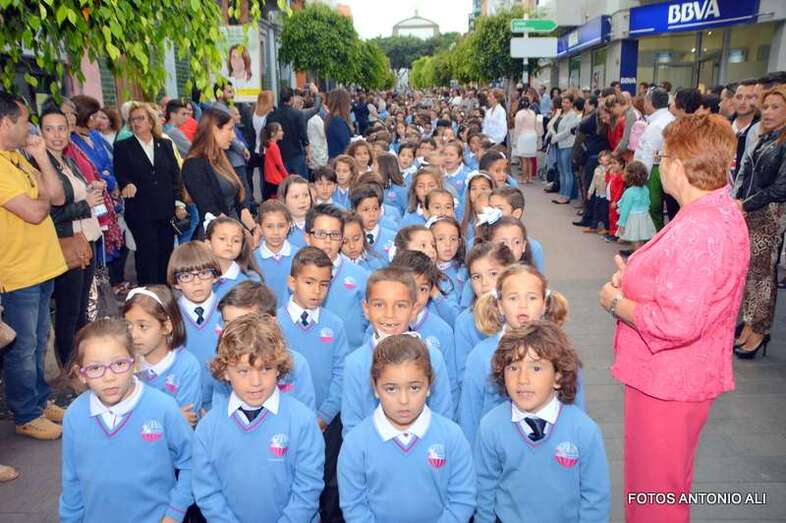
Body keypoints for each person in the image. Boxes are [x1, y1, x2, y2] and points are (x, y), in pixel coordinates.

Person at [599, 114, 749, 522]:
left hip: (668, 381)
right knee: (665, 485)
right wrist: (635, 276)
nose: (659, 164)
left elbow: (677, 322)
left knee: (655, 495)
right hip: (677, 377)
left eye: (663, 156)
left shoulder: (701, 226)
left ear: (678, 165)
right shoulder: (712, 211)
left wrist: (616, 301)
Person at [59, 318, 194, 522]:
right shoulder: (75, 415)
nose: (109, 377)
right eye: (95, 368)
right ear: (81, 374)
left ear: (135, 363)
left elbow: (192, 462)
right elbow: (71, 479)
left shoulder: (163, 408)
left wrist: (174, 513)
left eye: (119, 364)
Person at [192, 314, 325, 521]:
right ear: (225, 371)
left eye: (265, 368)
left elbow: (308, 491)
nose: (256, 381)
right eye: (243, 371)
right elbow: (207, 493)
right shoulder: (208, 428)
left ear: (279, 368)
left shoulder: (303, 421)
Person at [474, 322, 610, 522]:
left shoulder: (584, 431)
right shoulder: (491, 426)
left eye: (536, 368)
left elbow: (595, 499)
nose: (523, 379)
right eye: (513, 368)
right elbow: (484, 490)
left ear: (558, 377)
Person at [338, 334, 476, 522]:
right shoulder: (356, 443)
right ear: (375, 388)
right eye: (391, 389)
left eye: (414, 388)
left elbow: (462, 499)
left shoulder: (452, 436)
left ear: (429, 386)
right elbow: (354, 506)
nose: (403, 400)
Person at [0, 92, 67, 440]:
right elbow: (35, 212)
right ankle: (26, 413)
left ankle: (40, 401)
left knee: (39, 341)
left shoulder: (17, 158)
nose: (30, 128)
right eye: (25, 120)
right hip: (17, 272)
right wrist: (42, 197)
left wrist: (41, 157)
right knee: (23, 348)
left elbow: (56, 196)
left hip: (42, 265)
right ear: (6, 122)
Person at [277, 246, 349, 523]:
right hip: (284, 423)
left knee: (327, 485)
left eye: (324, 284)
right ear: (291, 281)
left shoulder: (335, 324)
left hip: (326, 423)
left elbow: (341, 375)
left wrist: (324, 416)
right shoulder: (274, 324)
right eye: (309, 282)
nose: (317, 291)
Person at [340, 267, 453, 437]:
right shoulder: (355, 363)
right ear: (366, 308)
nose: (389, 314)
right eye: (379, 305)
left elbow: (443, 416)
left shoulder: (432, 357)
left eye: (400, 305)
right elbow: (351, 426)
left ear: (414, 310)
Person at [40, 109, 102, 368]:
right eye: (49, 129)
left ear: (69, 131)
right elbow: (50, 213)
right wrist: (86, 204)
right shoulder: (42, 166)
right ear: (40, 133)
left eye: (61, 128)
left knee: (81, 309)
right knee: (69, 311)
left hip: (86, 241)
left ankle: (82, 363)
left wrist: (90, 190)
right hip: (66, 245)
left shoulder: (67, 159)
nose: (56, 135)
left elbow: (73, 195)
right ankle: (69, 367)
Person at [733, 85, 786, 358]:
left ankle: (759, 330)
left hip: (769, 215)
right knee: (750, 273)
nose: (768, 112)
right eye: (765, 107)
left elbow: (781, 188)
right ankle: (749, 324)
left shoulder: (782, 142)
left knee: (763, 276)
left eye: (775, 107)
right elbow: (747, 174)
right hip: (752, 211)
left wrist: (746, 203)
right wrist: (740, 200)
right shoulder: (765, 137)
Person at [114, 102, 182, 284]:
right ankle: (148, 293)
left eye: (140, 118)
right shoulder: (123, 147)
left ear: (151, 122)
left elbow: (175, 176)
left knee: (166, 253)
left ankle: (164, 293)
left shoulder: (165, 144)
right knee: (147, 255)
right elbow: (120, 174)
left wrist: (179, 203)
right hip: (140, 211)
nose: (136, 123)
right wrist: (126, 184)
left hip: (165, 209)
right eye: (132, 120)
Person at [123, 285, 202, 426]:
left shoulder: (187, 366)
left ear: (166, 326)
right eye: (128, 326)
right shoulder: (124, 363)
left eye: (143, 326)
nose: (133, 335)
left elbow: (188, 421)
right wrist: (170, 418)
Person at [304, 204, 369, 350]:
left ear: (341, 239)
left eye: (334, 235)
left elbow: (370, 323)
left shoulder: (360, 275)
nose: (328, 240)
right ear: (307, 237)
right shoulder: (297, 274)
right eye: (321, 234)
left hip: (350, 355)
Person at [167, 241, 223, 411]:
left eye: (204, 273)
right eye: (186, 276)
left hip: (222, 401)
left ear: (215, 276)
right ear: (176, 282)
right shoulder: (170, 317)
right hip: (183, 403)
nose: (196, 282)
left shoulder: (227, 313)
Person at [182, 108, 255, 233]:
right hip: (218, 236)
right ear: (215, 130)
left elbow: (240, 204)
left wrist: (253, 228)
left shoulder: (223, 159)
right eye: (230, 129)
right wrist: (242, 233)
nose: (233, 136)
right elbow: (210, 210)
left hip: (235, 232)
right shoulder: (193, 165)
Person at [633, 88, 674, 230]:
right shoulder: (667, 118)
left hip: (652, 171)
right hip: (659, 168)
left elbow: (649, 155)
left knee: (652, 208)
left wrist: (640, 178)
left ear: (650, 103)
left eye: (645, 101)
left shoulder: (657, 125)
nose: (644, 105)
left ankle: (652, 238)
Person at [267, 84, 320, 178]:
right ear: (291, 99)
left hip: (279, 154)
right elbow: (303, 136)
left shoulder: (271, 116)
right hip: (296, 154)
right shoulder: (298, 114)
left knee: (284, 183)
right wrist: (317, 94)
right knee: (300, 181)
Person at [204, 216, 259, 300]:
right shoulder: (197, 279)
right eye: (222, 239)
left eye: (236, 240)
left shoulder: (250, 282)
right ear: (208, 243)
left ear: (241, 247)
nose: (229, 244)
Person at [254, 200, 295, 307]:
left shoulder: (300, 256)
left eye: (281, 226)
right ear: (260, 228)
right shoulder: (252, 260)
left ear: (289, 226)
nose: (276, 232)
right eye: (269, 226)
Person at [616, 160, 656, 255]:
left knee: (635, 240)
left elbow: (625, 210)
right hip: (644, 216)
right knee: (641, 238)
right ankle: (639, 253)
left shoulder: (629, 192)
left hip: (633, 218)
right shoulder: (645, 189)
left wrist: (621, 223)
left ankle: (637, 256)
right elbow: (648, 202)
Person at [551, 94, 580, 205]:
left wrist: (555, 138)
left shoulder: (573, 115)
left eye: (567, 102)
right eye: (563, 102)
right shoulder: (561, 113)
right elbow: (552, 125)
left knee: (567, 171)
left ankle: (567, 196)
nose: (564, 104)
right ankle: (562, 194)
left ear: (572, 104)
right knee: (561, 171)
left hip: (567, 145)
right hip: (559, 145)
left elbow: (568, 131)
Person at [731, 79, 760, 178]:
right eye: (739, 97)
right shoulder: (722, 126)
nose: (742, 102)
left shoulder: (761, 131)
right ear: (733, 99)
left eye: (749, 97)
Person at [511, 96, 542, 184]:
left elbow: (517, 129)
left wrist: (515, 141)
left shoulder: (519, 114)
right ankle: (530, 178)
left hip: (523, 136)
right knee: (529, 159)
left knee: (524, 159)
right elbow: (537, 125)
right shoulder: (532, 113)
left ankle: (524, 178)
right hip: (532, 135)